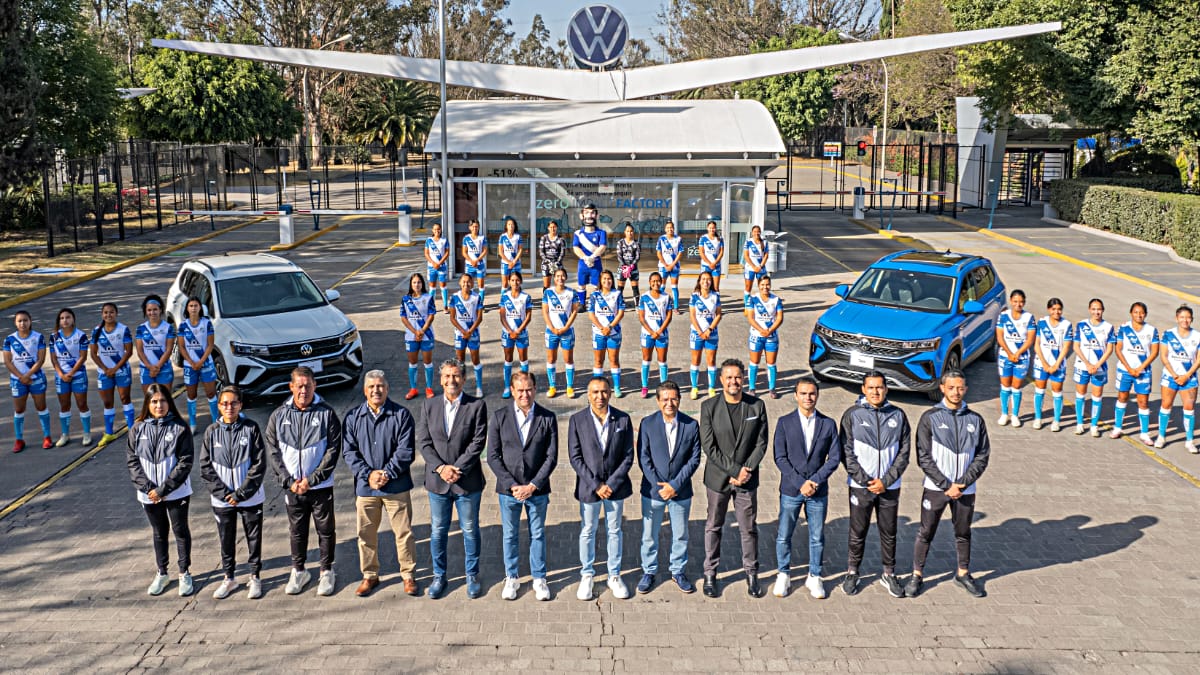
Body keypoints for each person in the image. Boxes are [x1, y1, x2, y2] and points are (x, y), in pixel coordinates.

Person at [905, 370, 990, 599]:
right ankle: (916, 575)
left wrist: (963, 483)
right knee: (926, 531)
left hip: (965, 489)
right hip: (936, 488)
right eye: (951, 388)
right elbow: (923, 456)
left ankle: (963, 573)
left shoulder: (975, 420)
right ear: (942, 388)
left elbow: (982, 455)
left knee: (963, 532)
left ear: (966, 389)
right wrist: (946, 485)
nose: (956, 392)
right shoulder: (929, 417)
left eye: (960, 388)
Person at [266, 366, 342, 597]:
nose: (303, 391)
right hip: (293, 488)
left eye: (308, 386)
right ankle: (298, 571)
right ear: (291, 387)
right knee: (297, 531)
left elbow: (333, 450)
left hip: (320, 486)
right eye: (299, 386)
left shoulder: (327, 413)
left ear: (315, 385)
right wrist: (289, 481)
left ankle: (326, 571)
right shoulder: (279, 415)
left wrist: (312, 479)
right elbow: (273, 452)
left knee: (325, 530)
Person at [342, 371, 420, 597]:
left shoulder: (402, 415)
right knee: (365, 534)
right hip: (366, 489)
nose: (376, 390)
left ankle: (408, 575)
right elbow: (349, 452)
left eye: (380, 386)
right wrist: (368, 475)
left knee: (404, 533)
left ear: (387, 388)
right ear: (365, 390)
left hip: (396, 486)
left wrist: (386, 473)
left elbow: (405, 451)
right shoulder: (353, 417)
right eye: (371, 387)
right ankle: (370, 575)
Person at [417, 358, 488, 599]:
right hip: (438, 483)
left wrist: (456, 468)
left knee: (470, 529)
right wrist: (440, 468)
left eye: (456, 375)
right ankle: (439, 576)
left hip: (467, 481)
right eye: (447, 376)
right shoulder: (429, 405)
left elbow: (478, 442)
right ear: (440, 380)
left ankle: (472, 575)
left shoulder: (476, 406)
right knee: (438, 530)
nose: (451, 380)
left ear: (464, 379)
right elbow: (424, 442)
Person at [699, 358, 769, 598]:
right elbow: (709, 446)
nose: (733, 381)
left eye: (737, 377)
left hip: (747, 480)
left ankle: (752, 573)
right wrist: (734, 470)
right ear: (721, 380)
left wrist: (746, 470)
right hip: (718, 479)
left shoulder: (756, 406)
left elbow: (761, 443)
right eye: (729, 377)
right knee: (713, 526)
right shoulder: (709, 407)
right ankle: (710, 573)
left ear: (744, 378)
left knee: (748, 529)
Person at [487, 371, 558, 601]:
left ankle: (539, 578)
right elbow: (493, 456)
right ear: (512, 391)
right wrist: (512, 485)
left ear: (535, 389)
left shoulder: (548, 417)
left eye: (528, 389)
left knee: (537, 534)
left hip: (537, 490)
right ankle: (512, 576)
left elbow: (551, 457)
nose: (524, 394)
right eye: (520, 390)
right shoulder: (499, 417)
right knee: (510, 535)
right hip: (509, 491)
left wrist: (533, 485)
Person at [839, 371, 910, 598]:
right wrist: (865, 480)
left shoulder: (898, 415)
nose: (875, 392)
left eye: (879, 387)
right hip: (861, 486)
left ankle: (889, 573)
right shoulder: (852, 415)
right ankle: (852, 572)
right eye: (870, 387)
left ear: (886, 389)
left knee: (889, 531)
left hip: (889, 486)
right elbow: (846, 452)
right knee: (857, 530)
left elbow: (904, 452)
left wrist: (886, 481)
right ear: (863, 389)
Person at [772, 378, 841, 600]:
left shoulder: (828, 424)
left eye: (811, 393)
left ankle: (815, 575)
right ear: (795, 396)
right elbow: (780, 457)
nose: (807, 397)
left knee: (817, 536)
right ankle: (783, 573)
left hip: (817, 491)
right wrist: (800, 482)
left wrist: (815, 481)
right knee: (784, 535)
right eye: (803, 393)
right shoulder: (784, 422)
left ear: (817, 395)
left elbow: (834, 458)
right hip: (791, 490)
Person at [568, 376, 635, 601]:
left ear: (610, 393)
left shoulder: (623, 419)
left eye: (604, 391)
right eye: (595, 392)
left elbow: (628, 456)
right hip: (590, 488)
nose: (600, 396)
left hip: (616, 488)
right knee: (588, 530)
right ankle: (587, 574)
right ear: (588, 395)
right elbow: (575, 457)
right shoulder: (577, 420)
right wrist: (596, 485)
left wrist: (611, 484)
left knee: (614, 530)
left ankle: (614, 575)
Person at [125, 382, 194, 597]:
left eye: (163, 401)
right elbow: (132, 461)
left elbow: (185, 461)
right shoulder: (137, 428)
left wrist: (163, 489)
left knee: (180, 531)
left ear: (169, 402)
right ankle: (162, 572)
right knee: (159, 532)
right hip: (149, 494)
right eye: (154, 401)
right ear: (147, 403)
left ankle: (184, 573)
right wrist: (149, 489)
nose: (159, 405)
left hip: (176, 492)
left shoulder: (180, 427)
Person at [199, 385, 267, 600]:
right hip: (222, 500)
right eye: (225, 403)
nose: (229, 407)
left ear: (240, 405)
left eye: (234, 403)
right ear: (219, 406)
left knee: (253, 538)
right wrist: (223, 494)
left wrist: (240, 493)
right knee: (226, 540)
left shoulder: (251, 428)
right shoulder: (211, 431)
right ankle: (229, 578)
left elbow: (259, 463)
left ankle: (255, 577)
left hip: (250, 497)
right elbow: (205, 467)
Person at [636, 380, 701, 595]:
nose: (669, 403)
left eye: (673, 399)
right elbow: (644, 458)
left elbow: (694, 459)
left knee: (680, 534)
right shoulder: (647, 424)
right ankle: (649, 571)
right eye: (665, 399)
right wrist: (659, 486)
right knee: (649, 535)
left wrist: (674, 485)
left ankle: (678, 570)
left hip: (680, 491)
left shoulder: (691, 425)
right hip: (653, 491)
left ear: (680, 400)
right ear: (657, 401)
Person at [4, 310, 52, 452]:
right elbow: (8, 361)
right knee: (19, 409)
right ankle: (19, 439)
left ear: (30, 321)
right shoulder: (9, 339)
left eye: (25, 320)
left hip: (36, 379)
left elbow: (41, 359)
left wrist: (28, 375)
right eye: (19, 321)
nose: (22, 323)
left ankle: (47, 437)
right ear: (15, 323)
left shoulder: (38, 337)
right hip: (17, 380)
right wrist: (21, 377)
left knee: (41, 407)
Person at [1112, 302, 1159, 444]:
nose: (1139, 315)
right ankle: (1117, 428)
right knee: (1122, 397)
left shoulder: (1152, 330)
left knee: (1143, 402)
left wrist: (1140, 368)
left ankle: (1144, 433)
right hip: (1125, 370)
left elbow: (1154, 352)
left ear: (1146, 314)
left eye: (1142, 312)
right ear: (1131, 313)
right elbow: (1118, 349)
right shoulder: (1123, 328)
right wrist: (1129, 368)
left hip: (1143, 372)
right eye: (1136, 312)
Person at [89, 302, 135, 446]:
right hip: (104, 373)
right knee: (108, 402)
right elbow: (93, 353)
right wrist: (105, 368)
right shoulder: (96, 331)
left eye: (111, 312)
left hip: (121, 371)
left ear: (116, 313)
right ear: (102, 314)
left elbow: (129, 351)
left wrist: (115, 368)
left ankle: (132, 431)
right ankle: (109, 433)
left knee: (125, 398)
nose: (108, 315)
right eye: (106, 312)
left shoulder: (123, 329)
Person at [1157, 305, 1200, 453]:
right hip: (1170, 377)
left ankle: (1190, 441)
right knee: (1166, 405)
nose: (1185, 320)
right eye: (1182, 317)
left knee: (1189, 408)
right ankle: (1161, 436)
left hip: (1189, 379)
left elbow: (1198, 360)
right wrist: (1175, 375)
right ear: (1177, 318)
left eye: (1188, 317)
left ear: (1192, 319)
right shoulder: (1168, 334)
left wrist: (1186, 376)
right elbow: (1163, 356)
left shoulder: (1197, 336)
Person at [1072, 298, 1116, 437]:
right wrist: (1087, 363)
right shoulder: (1081, 325)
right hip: (1082, 365)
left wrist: (1097, 365)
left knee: (1097, 397)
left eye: (1099, 309)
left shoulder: (1108, 327)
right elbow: (1076, 346)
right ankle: (1079, 424)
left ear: (1103, 310)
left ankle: (1094, 426)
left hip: (1099, 368)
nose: (1096, 312)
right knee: (1080, 395)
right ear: (1089, 310)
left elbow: (1109, 349)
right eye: (1094, 309)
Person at [48, 307, 92, 447]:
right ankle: (65, 434)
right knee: (64, 405)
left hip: (78, 375)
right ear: (59, 321)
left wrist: (71, 373)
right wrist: (61, 374)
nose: (65, 320)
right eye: (62, 318)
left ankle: (87, 433)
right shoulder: (54, 337)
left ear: (73, 319)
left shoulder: (81, 335)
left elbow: (83, 357)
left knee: (82, 404)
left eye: (68, 317)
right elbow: (54, 359)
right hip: (61, 377)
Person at [1031, 297, 1074, 432]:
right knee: (1039, 390)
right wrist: (1044, 363)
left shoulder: (1066, 325)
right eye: (1053, 309)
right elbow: (1037, 345)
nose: (1056, 312)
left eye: (1059, 309)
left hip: (1058, 365)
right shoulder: (1042, 323)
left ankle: (1056, 421)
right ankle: (1038, 418)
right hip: (1041, 363)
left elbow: (1066, 347)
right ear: (1049, 309)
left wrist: (1056, 364)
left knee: (1057, 391)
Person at [176, 297, 218, 433]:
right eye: (191, 306)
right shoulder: (183, 326)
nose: (193, 308)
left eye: (196, 305)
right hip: (190, 366)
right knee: (191, 394)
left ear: (200, 308)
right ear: (187, 309)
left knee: (211, 393)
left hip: (206, 364)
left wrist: (200, 361)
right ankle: (193, 423)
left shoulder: (207, 323)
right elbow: (181, 347)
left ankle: (216, 421)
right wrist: (191, 362)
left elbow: (210, 345)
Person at [996, 289, 1036, 427]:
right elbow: (1000, 337)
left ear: (1024, 302)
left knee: (1017, 386)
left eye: (1021, 302)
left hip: (1022, 358)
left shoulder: (1029, 318)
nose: (1018, 304)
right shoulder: (1003, 316)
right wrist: (1009, 353)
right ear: (1011, 301)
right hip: (1005, 356)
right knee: (1005, 385)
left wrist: (1018, 353)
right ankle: (1004, 414)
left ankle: (1015, 415)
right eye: (1015, 301)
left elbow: (1030, 340)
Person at [543, 267, 581, 398]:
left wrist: (566, 327)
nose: (560, 278)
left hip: (567, 331)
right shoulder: (548, 292)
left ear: (566, 277)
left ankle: (569, 387)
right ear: (554, 278)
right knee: (551, 359)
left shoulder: (572, 293)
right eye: (558, 276)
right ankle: (552, 386)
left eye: (562, 276)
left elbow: (574, 311)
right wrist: (552, 328)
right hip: (551, 332)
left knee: (568, 359)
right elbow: (545, 312)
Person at [399, 272, 437, 400]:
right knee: (412, 363)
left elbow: (431, 315)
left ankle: (429, 388)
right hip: (411, 336)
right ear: (411, 284)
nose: (417, 285)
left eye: (419, 282)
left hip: (426, 335)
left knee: (427, 362)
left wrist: (422, 330)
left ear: (422, 284)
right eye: (414, 282)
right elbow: (403, 317)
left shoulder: (428, 297)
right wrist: (415, 332)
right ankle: (413, 388)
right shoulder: (405, 299)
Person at [588, 269, 625, 397]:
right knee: (599, 360)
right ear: (600, 280)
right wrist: (601, 328)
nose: (607, 281)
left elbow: (620, 313)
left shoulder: (617, 294)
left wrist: (610, 327)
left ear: (612, 280)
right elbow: (591, 314)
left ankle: (617, 387)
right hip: (598, 333)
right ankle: (597, 386)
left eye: (609, 278)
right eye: (604, 278)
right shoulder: (594, 295)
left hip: (614, 333)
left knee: (614, 360)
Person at [745, 275, 783, 398]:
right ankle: (752, 388)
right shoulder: (753, 299)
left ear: (770, 285)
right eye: (762, 285)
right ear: (758, 285)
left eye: (767, 284)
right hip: (756, 336)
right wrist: (761, 330)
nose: (765, 287)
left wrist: (770, 330)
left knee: (771, 363)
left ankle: (772, 389)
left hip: (771, 337)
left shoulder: (776, 300)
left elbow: (779, 318)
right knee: (754, 362)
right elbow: (750, 318)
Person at [448, 273, 485, 398]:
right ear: (459, 283)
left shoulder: (476, 297)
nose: (466, 284)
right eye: (463, 281)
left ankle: (479, 387)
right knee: (460, 362)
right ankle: (460, 387)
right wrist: (463, 331)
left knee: (475, 360)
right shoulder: (454, 297)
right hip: (460, 334)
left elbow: (479, 317)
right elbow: (452, 318)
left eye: (468, 281)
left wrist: (470, 331)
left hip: (473, 334)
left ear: (472, 283)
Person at [637, 271, 674, 398]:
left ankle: (663, 386)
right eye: (653, 281)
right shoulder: (644, 297)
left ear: (662, 282)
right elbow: (641, 318)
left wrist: (659, 331)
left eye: (658, 281)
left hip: (662, 334)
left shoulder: (667, 297)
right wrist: (651, 332)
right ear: (649, 282)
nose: (656, 283)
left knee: (662, 360)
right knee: (646, 359)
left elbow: (669, 317)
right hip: (647, 334)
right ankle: (644, 386)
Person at [688, 270, 722, 400]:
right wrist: (700, 331)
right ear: (699, 281)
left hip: (711, 334)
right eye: (703, 279)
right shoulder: (694, 296)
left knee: (711, 360)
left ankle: (711, 388)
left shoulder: (715, 296)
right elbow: (692, 316)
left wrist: (709, 330)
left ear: (711, 282)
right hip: (696, 333)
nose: (706, 282)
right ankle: (694, 387)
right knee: (695, 360)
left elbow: (718, 315)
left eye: (708, 279)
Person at [499, 271, 532, 399]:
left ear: (521, 281)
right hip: (507, 333)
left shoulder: (526, 297)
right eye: (512, 280)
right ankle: (507, 386)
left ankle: (524, 385)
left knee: (523, 358)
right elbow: (502, 316)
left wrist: (518, 331)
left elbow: (528, 317)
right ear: (508, 282)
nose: (515, 283)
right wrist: (510, 331)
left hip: (521, 333)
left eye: (517, 280)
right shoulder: (504, 296)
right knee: (508, 358)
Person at [135, 294, 175, 394]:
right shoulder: (141, 328)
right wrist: (149, 367)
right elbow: (140, 351)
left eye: (155, 309)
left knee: (165, 398)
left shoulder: (168, 327)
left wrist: (157, 367)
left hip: (164, 368)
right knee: (149, 399)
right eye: (149, 310)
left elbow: (169, 350)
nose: (152, 312)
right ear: (145, 311)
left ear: (160, 310)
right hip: (146, 369)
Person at [572, 202, 607, 303]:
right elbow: (576, 248)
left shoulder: (601, 233)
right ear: (582, 215)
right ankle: (582, 303)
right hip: (583, 264)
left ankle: (595, 304)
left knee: (597, 285)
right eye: (586, 212)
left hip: (596, 263)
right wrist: (585, 258)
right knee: (581, 284)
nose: (589, 216)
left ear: (597, 215)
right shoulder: (578, 233)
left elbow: (603, 246)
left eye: (592, 213)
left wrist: (592, 257)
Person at [656, 220, 683, 312]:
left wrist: (672, 264)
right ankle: (660, 305)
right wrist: (665, 265)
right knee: (661, 286)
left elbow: (680, 253)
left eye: (671, 227)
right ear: (665, 229)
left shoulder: (678, 239)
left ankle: (676, 307)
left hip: (674, 267)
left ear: (673, 228)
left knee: (674, 286)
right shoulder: (661, 239)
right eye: (668, 228)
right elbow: (659, 253)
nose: (669, 229)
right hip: (663, 266)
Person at [462, 218, 488, 307]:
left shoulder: (482, 238)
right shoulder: (466, 238)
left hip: (479, 265)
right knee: (469, 284)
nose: (475, 228)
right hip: (469, 265)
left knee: (481, 284)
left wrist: (477, 260)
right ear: (470, 227)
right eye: (473, 226)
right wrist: (471, 261)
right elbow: (464, 252)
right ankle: (471, 302)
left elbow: (485, 251)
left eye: (476, 226)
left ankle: (480, 304)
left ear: (479, 227)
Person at [424, 221, 451, 310]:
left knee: (443, 285)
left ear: (441, 230)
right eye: (435, 229)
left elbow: (447, 253)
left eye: (438, 229)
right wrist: (433, 263)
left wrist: (439, 263)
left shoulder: (444, 240)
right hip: (431, 267)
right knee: (432, 287)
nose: (437, 231)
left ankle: (445, 306)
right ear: (432, 230)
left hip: (442, 267)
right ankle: (431, 306)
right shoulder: (429, 240)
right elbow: (426, 253)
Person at [742, 225, 769, 307]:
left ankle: (762, 302)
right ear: (752, 232)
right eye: (755, 231)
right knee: (748, 287)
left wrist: (760, 266)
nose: (756, 233)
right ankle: (747, 304)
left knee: (762, 287)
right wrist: (753, 267)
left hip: (761, 268)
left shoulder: (764, 242)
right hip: (750, 268)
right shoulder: (748, 242)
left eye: (758, 231)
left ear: (760, 232)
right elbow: (746, 256)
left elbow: (766, 255)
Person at [615, 222, 641, 308]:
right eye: (627, 231)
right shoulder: (620, 243)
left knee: (635, 288)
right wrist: (625, 267)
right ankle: (619, 305)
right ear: (624, 232)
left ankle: (637, 306)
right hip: (622, 268)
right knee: (620, 288)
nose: (629, 233)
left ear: (633, 232)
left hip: (633, 269)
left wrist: (631, 267)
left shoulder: (637, 244)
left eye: (631, 231)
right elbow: (619, 256)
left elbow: (637, 257)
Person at [538, 220, 566, 292]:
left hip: (557, 264)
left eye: (554, 227)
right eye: (551, 227)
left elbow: (562, 252)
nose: (552, 229)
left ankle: (558, 297)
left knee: (558, 283)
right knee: (546, 285)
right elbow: (541, 251)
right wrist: (547, 261)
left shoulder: (561, 239)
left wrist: (557, 262)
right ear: (548, 228)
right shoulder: (544, 238)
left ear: (557, 228)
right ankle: (546, 297)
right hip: (546, 264)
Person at [698, 220, 724, 293]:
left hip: (716, 266)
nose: (712, 229)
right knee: (704, 286)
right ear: (707, 228)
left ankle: (716, 300)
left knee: (716, 288)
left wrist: (714, 263)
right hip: (706, 266)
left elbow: (721, 252)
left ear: (715, 228)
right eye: (710, 228)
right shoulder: (703, 238)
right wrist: (709, 263)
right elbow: (701, 252)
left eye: (713, 228)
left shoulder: (720, 239)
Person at [498, 217, 524, 282]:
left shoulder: (518, 237)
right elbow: (500, 251)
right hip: (505, 263)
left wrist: (514, 261)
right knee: (505, 283)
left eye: (512, 224)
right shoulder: (502, 236)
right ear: (506, 226)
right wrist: (509, 262)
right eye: (509, 224)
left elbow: (520, 250)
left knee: (515, 282)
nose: (511, 226)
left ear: (515, 226)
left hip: (516, 263)